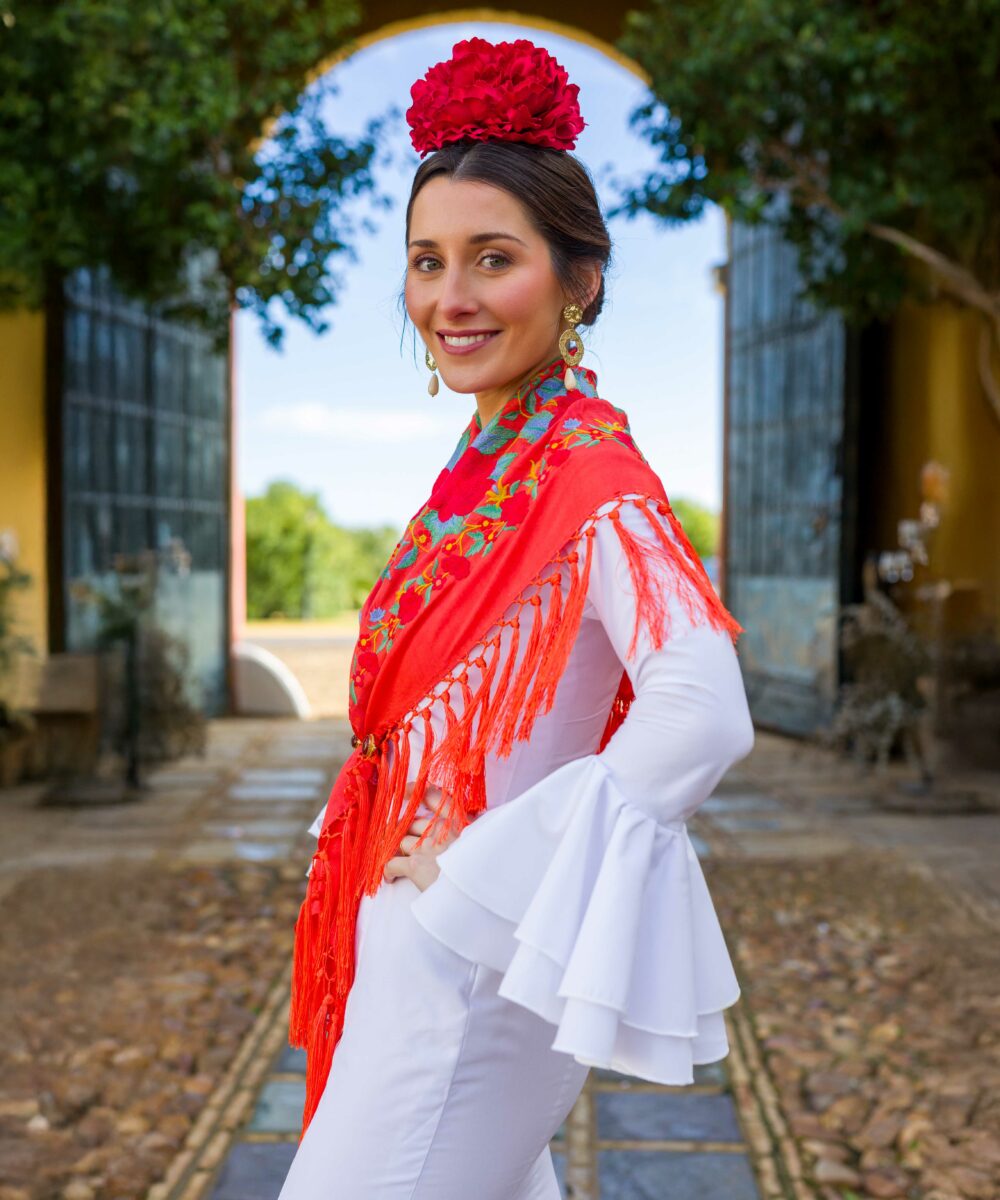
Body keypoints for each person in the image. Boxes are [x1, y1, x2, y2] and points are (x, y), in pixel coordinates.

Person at [277, 35, 755, 1200]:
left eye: (493, 259)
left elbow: (701, 712)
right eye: (426, 261)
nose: (450, 299)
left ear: (578, 280)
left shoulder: (590, 474)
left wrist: (486, 877)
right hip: (427, 953)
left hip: (470, 968)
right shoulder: (494, 463)